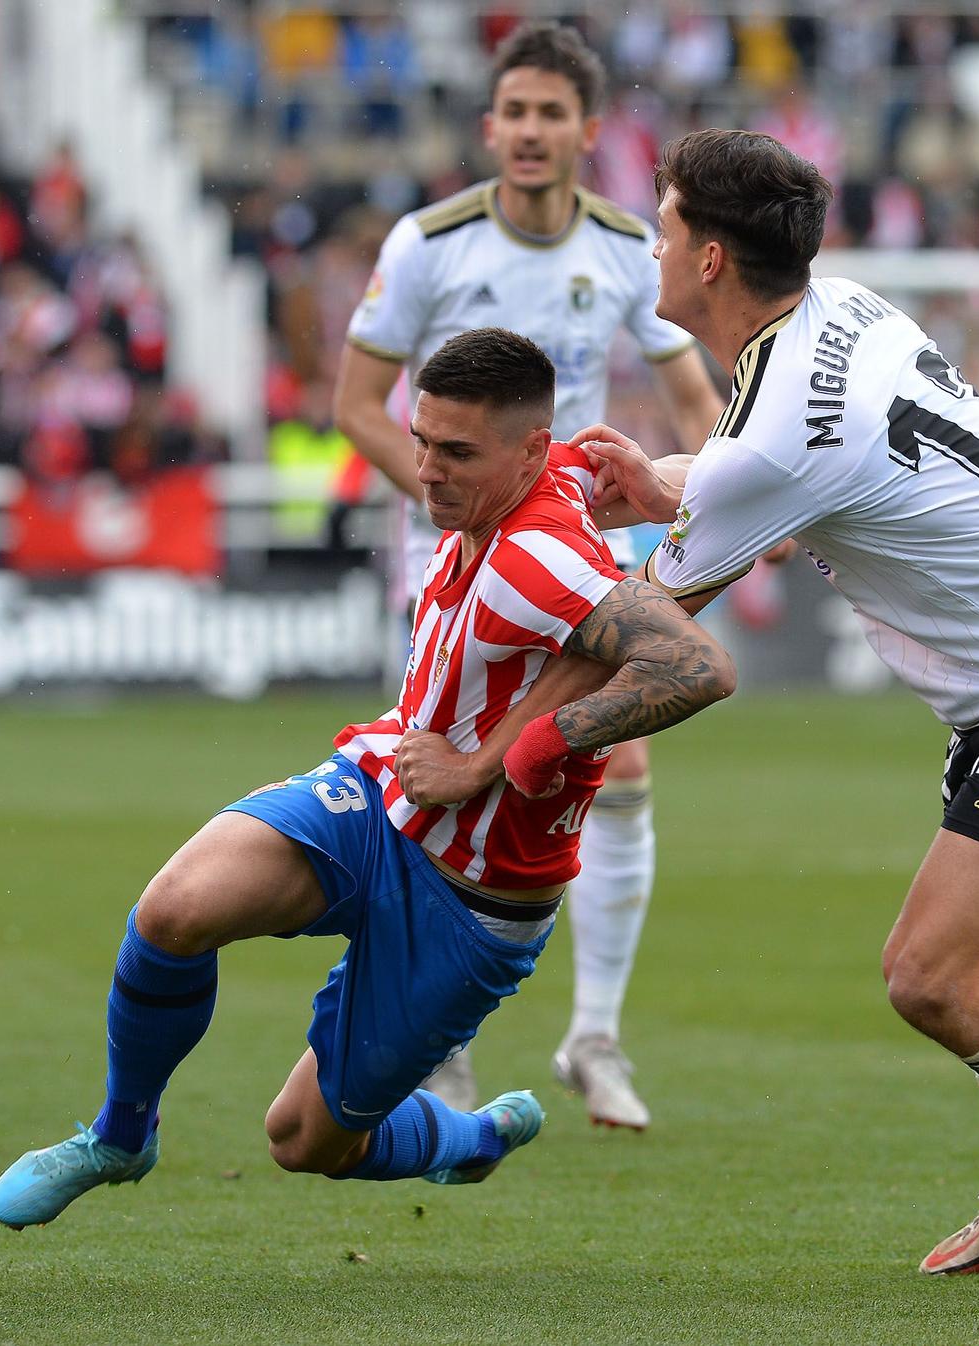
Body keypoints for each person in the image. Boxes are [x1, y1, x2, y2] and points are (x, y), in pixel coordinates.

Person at [577, 129, 979, 1305]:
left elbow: (654, 611)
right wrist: (665, 479)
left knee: (930, 974)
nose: (655, 242)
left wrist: (501, 642)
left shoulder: (772, 425)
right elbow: (788, 470)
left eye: (667, 220)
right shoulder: (844, 310)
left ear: (713, 258)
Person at [0, 328, 735, 1228]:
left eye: (456, 453)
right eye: (421, 440)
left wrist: (512, 757)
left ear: (527, 449)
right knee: (175, 910)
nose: (425, 471)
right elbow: (727, 478)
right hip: (384, 792)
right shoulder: (564, 469)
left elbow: (699, 669)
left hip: (474, 897)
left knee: (303, 1142)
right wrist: (665, 476)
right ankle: (118, 1136)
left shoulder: (540, 562)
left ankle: (469, 1141)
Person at [334, 22, 728, 1128]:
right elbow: (356, 404)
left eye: (551, 113)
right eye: (513, 111)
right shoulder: (429, 242)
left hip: (560, 548)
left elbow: (697, 400)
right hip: (450, 553)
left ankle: (594, 1037)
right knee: (439, 777)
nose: (528, 131)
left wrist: (728, 488)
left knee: (620, 761)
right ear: (488, 126)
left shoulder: (618, 248)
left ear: (586, 132)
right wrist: (436, 496)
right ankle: (441, 1041)